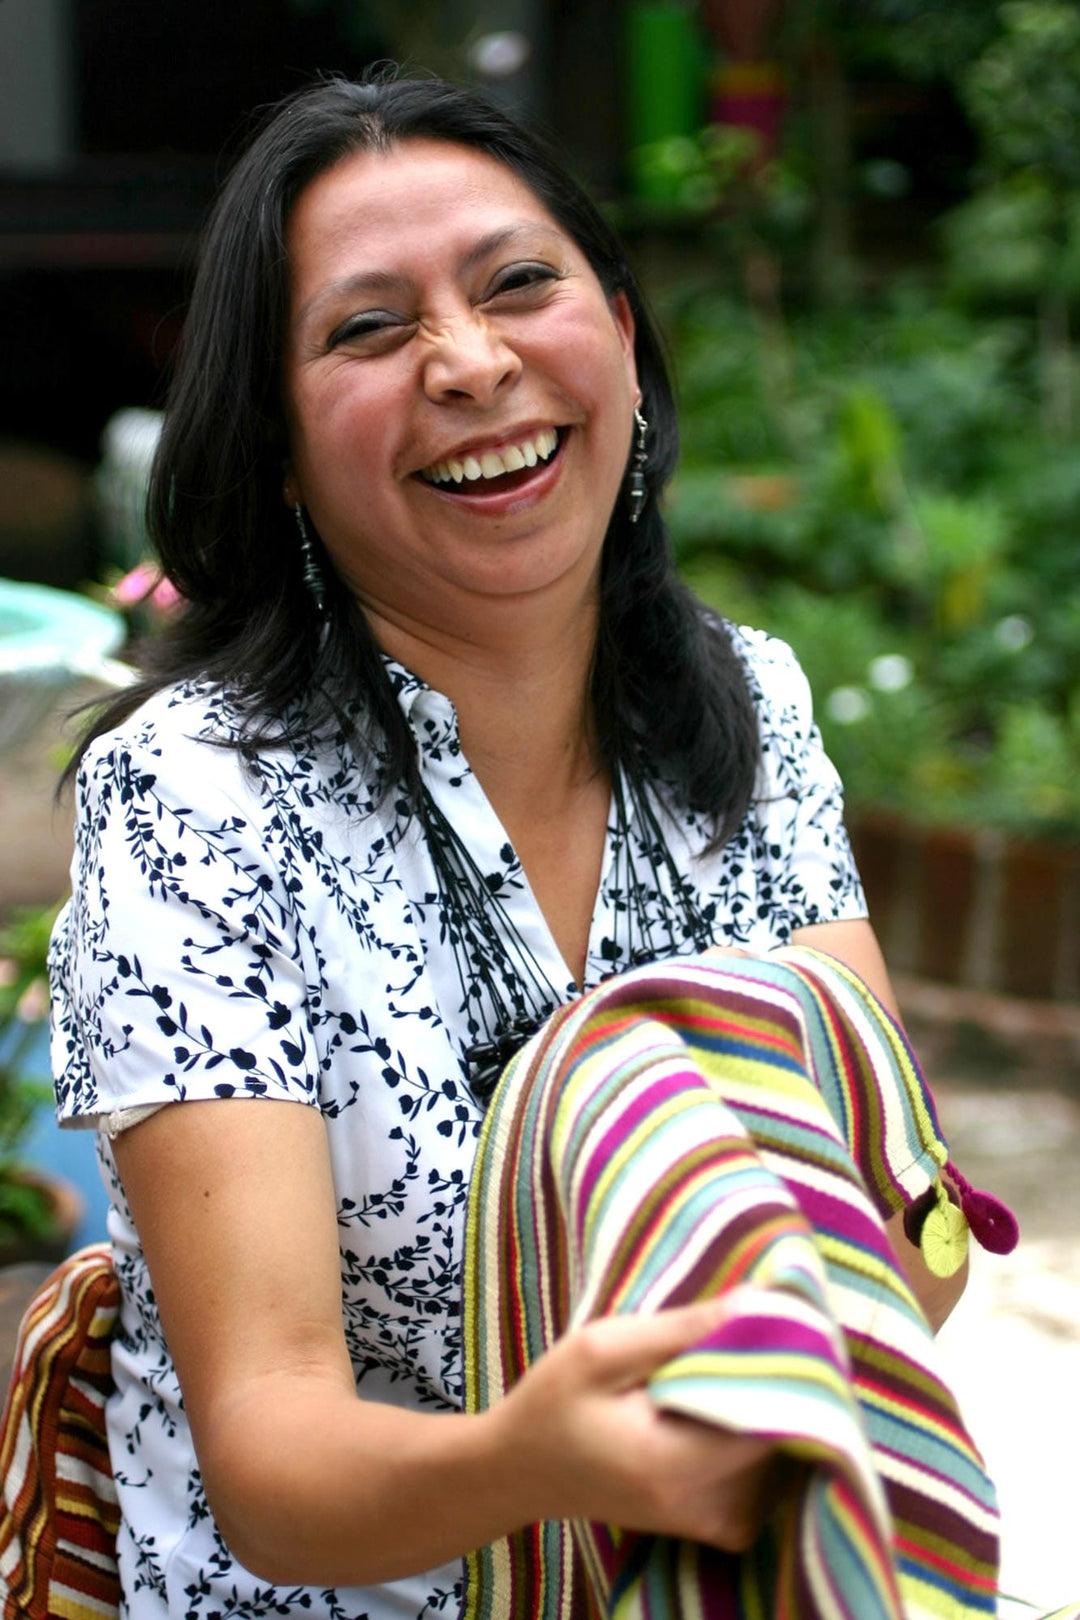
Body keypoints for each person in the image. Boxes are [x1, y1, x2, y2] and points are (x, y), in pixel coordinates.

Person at [48, 73, 968, 1620]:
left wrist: (848, 1276)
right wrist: (541, 1456)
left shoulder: (744, 704)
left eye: (517, 284)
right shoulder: (191, 798)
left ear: (617, 330)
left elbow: (901, 1218)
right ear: (272, 446)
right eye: (367, 328)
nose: (471, 365)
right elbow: (273, 1463)